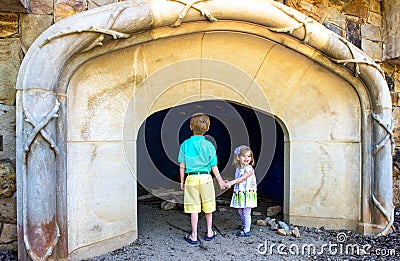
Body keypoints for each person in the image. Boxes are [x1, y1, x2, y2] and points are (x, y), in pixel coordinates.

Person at [178, 113, 226, 245]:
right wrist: (221, 181)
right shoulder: (209, 145)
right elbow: (214, 166)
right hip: (206, 178)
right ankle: (209, 232)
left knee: (193, 208)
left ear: (190, 127)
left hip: (191, 179)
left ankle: (193, 235)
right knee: (208, 207)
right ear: (208, 128)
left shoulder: (185, 144)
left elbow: (182, 165)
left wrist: (182, 181)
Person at [225, 145, 257, 237]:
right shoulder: (239, 169)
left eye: (249, 156)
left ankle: (247, 230)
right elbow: (237, 179)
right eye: (244, 156)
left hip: (247, 193)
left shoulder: (249, 169)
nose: (247, 158)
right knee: (240, 210)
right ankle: (245, 224)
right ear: (238, 157)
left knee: (246, 212)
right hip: (241, 193)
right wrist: (229, 181)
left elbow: (242, 179)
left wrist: (231, 183)